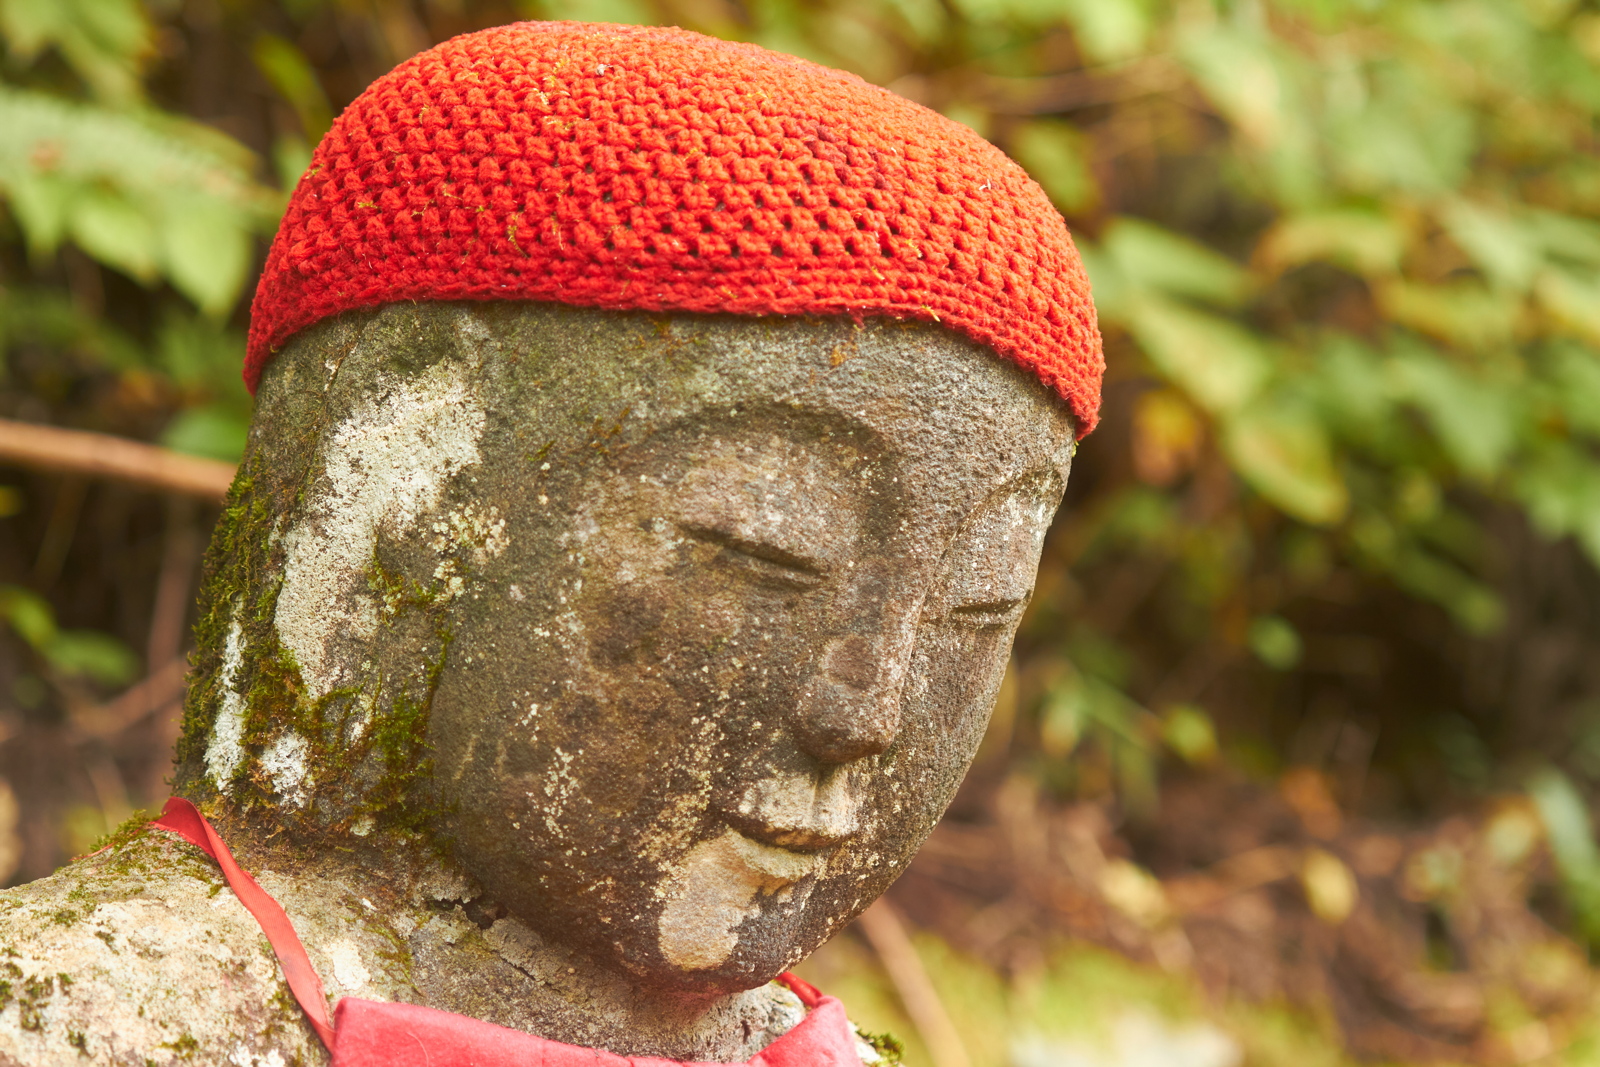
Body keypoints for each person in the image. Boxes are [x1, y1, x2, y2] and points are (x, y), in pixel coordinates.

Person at [0, 21, 1101, 1066]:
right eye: (767, 552)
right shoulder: (80, 1016)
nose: (863, 710)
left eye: (979, 600)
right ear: (404, 487)